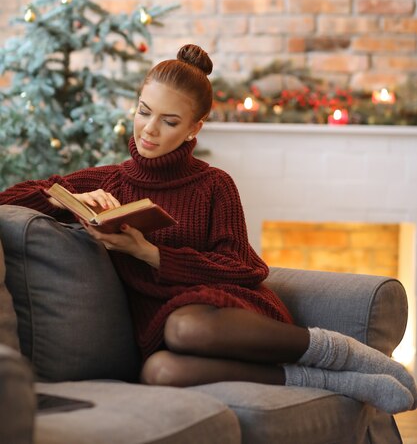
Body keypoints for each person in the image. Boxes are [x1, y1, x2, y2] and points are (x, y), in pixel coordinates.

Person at [0, 44, 416, 415]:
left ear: (194, 128)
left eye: (169, 121)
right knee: (159, 371)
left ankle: (341, 352)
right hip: (162, 330)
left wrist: (150, 254)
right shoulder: (109, 182)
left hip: (228, 314)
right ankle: (332, 382)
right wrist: (60, 198)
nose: (149, 129)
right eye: (144, 111)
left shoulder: (214, 185)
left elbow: (245, 268)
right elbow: (9, 198)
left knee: (186, 326)